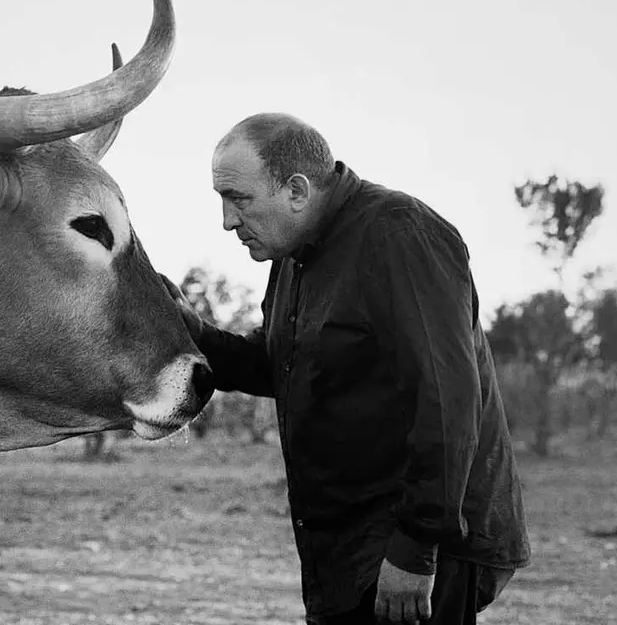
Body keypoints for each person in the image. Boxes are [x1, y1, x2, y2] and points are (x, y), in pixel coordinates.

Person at [167, 113, 530, 624]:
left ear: (297, 189)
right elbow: (282, 367)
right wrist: (194, 331)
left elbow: (447, 401)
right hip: (351, 544)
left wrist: (415, 549)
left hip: (423, 544)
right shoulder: (294, 255)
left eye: (239, 199)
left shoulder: (401, 234)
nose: (227, 220)